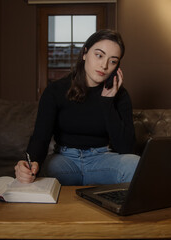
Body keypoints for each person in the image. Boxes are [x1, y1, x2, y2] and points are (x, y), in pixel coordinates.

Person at [14, 29, 140, 185]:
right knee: (44, 169)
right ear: (85, 53)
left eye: (113, 61)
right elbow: (41, 136)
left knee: (135, 164)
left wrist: (107, 103)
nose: (104, 65)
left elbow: (126, 148)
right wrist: (29, 164)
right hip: (65, 161)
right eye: (99, 55)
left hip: (101, 160)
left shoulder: (120, 95)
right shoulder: (56, 90)